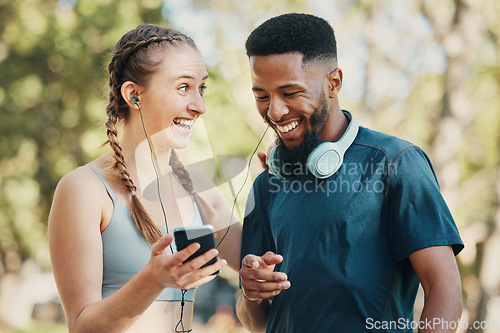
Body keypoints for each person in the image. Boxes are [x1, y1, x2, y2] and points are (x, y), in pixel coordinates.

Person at [237, 13, 464, 333]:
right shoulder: (267, 184)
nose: (274, 111)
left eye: (289, 92)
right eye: (262, 96)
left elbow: (445, 291)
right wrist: (251, 294)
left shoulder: (396, 164)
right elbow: (255, 322)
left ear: (334, 83)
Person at [48, 24, 242, 333]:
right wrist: (153, 280)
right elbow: (81, 327)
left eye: (201, 88)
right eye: (183, 87)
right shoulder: (84, 189)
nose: (199, 106)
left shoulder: (201, 189)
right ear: (133, 95)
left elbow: (257, 264)